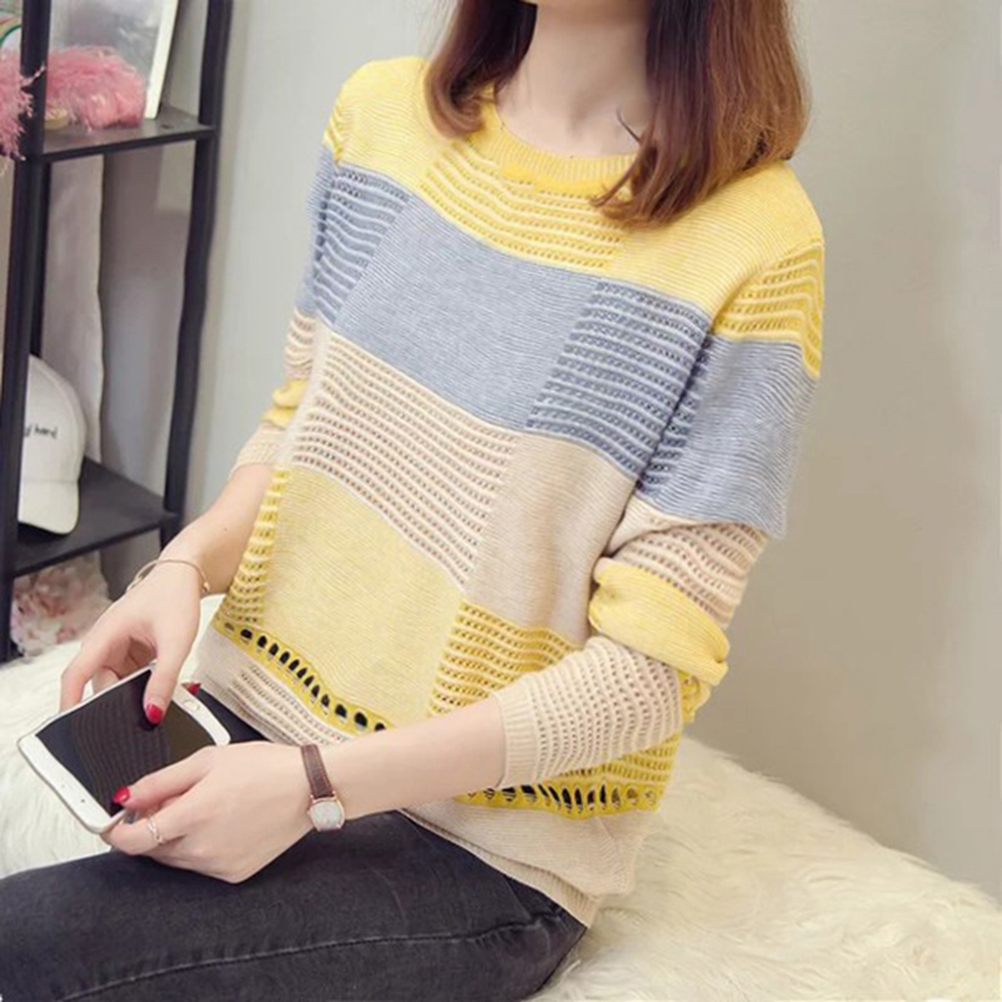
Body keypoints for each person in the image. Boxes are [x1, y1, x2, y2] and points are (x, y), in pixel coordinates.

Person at [0, 0, 826, 998]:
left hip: (474, 846)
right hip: (245, 720)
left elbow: (647, 676)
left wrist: (316, 785)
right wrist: (184, 566)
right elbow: (301, 425)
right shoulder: (380, 117)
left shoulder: (755, 241)